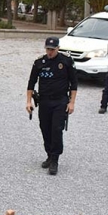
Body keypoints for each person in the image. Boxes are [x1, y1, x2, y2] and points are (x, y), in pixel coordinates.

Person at [27, 37, 78, 175]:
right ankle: (49, 154)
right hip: (44, 101)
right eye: (47, 49)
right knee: (45, 129)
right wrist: (28, 101)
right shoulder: (39, 62)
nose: (49, 52)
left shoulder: (66, 61)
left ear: (58, 48)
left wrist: (72, 102)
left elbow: (73, 84)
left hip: (60, 101)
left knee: (56, 129)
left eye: (52, 49)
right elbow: (31, 83)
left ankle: (55, 159)